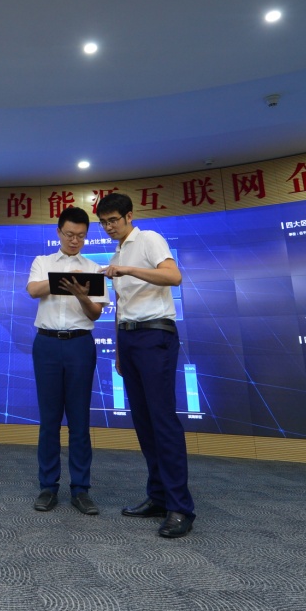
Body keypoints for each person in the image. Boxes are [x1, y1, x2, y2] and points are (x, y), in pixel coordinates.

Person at [98, 192, 195, 538]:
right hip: (129, 339)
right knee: (143, 423)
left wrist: (128, 269)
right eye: (104, 222)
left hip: (155, 335)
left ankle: (180, 507)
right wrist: (119, 352)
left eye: (113, 220)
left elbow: (173, 276)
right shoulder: (116, 254)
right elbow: (121, 304)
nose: (109, 227)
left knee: (162, 420)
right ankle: (158, 496)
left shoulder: (149, 239)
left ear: (129, 216)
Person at [26, 206, 106, 515]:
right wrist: (66, 281)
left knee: (79, 420)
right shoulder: (42, 262)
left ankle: (81, 489)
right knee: (49, 420)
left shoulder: (93, 268)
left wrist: (81, 294)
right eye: (70, 234)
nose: (75, 241)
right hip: (46, 344)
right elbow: (33, 290)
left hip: (79, 344)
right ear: (59, 232)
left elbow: (95, 313)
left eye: (81, 236)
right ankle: (48, 487)